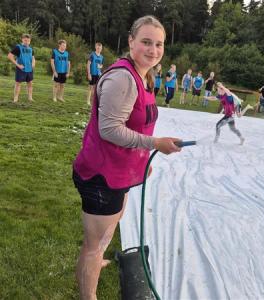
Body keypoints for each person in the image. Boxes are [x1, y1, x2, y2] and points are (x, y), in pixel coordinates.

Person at [72, 16, 182, 300]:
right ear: (131, 41)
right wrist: (155, 143)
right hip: (101, 175)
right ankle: (89, 291)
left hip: (119, 171)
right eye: (146, 42)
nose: (153, 50)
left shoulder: (145, 75)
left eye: (159, 44)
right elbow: (109, 130)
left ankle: (98, 257)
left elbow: (137, 124)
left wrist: (143, 160)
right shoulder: (123, 77)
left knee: (112, 225)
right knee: (93, 245)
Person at [7, 33, 35, 102]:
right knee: (18, 83)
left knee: (30, 83)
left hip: (29, 69)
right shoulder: (18, 47)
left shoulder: (31, 49)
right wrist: (18, 65)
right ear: (22, 40)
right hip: (21, 69)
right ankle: (15, 98)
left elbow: (33, 58)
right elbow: (9, 56)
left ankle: (30, 98)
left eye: (28, 41)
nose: (27, 42)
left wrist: (33, 64)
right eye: (25, 40)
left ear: (30, 41)